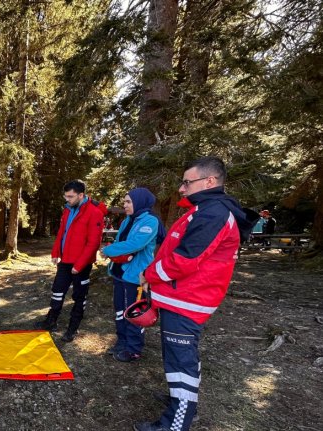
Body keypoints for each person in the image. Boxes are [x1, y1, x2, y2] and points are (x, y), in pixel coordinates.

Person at [134, 157, 257, 431]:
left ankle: (176, 423)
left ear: (210, 181)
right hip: (181, 298)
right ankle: (182, 401)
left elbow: (185, 260)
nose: (181, 188)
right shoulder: (203, 209)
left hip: (188, 301)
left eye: (187, 182)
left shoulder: (213, 214)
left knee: (181, 362)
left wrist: (149, 275)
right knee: (179, 358)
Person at [34, 179, 107, 342]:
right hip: (65, 261)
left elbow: (93, 243)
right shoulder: (67, 209)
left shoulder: (94, 213)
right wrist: (55, 252)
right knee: (57, 291)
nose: (67, 199)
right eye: (66, 196)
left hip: (82, 264)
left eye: (71, 196)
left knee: (79, 297)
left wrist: (79, 265)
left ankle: (72, 329)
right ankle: (51, 321)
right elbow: (62, 232)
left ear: (81, 195)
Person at [102, 188, 165, 362]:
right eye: (124, 202)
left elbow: (135, 244)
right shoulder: (127, 220)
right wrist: (113, 253)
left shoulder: (150, 221)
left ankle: (134, 348)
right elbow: (120, 241)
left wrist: (108, 250)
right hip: (119, 272)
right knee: (120, 310)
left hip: (136, 276)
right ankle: (122, 341)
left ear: (140, 202)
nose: (125, 205)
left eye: (129, 202)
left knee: (134, 312)